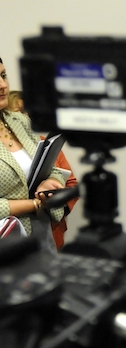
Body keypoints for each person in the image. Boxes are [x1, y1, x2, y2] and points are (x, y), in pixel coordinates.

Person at [0, 57, 65, 239]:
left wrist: (50, 183)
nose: (3, 84)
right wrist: (34, 204)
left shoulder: (19, 120)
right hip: (6, 244)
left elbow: (51, 167)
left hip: (41, 234)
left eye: (3, 75)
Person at [8, 89, 79, 249]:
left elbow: (72, 183)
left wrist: (54, 199)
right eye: (18, 112)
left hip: (50, 231)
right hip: (13, 232)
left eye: (27, 112)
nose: (25, 117)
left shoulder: (46, 144)